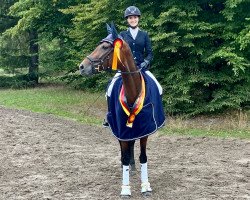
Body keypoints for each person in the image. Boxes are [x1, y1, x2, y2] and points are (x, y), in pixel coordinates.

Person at [103, 5, 162, 127]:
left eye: (135, 17)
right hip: (125, 70)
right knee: (109, 89)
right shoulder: (122, 35)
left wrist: (146, 62)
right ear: (127, 20)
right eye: (130, 18)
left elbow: (150, 53)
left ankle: (157, 115)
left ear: (138, 19)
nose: (133, 20)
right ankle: (109, 116)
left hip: (141, 68)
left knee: (158, 87)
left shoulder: (144, 34)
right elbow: (117, 51)